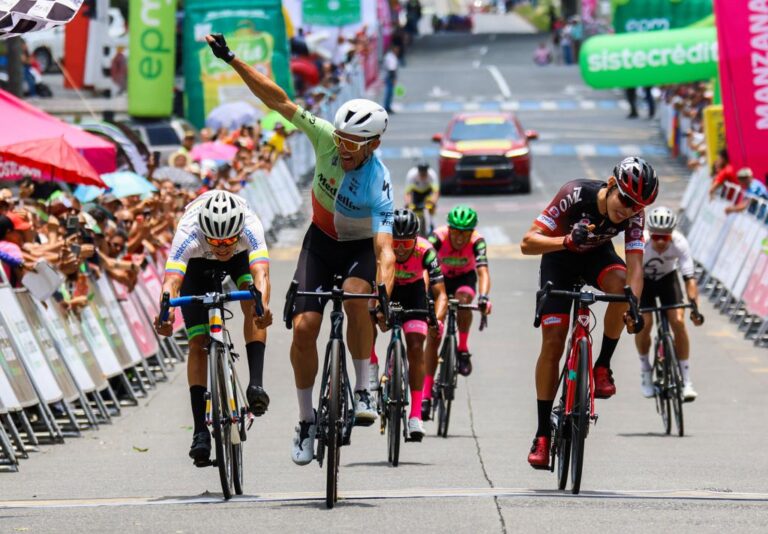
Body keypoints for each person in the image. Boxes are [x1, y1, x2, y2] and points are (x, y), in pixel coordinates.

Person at [202, 33, 395, 465]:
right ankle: (307, 421)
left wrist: (383, 294)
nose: (343, 149)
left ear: (374, 145)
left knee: (360, 297)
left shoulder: (380, 184)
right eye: (342, 140)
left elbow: (386, 253)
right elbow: (279, 101)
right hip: (321, 242)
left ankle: (364, 386)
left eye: (353, 145)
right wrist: (232, 59)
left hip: (360, 246)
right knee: (305, 327)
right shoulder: (326, 136)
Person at [520, 156, 659, 468]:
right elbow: (527, 243)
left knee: (624, 289)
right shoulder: (575, 193)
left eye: (637, 206)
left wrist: (633, 308)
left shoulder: (635, 215)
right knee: (553, 343)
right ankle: (542, 434)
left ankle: (601, 366)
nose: (628, 209)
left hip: (597, 259)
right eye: (625, 199)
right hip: (560, 258)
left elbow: (636, 267)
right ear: (611, 185)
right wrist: (565, 240)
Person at [154, 190, 273, 465]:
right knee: (197, 343)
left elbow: (261, 274)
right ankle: (199, 431)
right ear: (204, 233)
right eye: (216, 242)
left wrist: (262, 305)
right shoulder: (188, 231)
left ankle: (255, 384)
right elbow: (172, 282)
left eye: (228, 241)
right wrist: (166, 313)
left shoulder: (249, 226)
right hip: (196, 265)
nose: (222, 248)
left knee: (252, 301)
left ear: (238, 231)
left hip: (240, 260)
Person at [373, 209, 447, 440]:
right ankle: (372, 366)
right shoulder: (382, 246)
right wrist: (377, 310)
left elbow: (441, 294)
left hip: (414, 294)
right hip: (389, 291)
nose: (402, 248)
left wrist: (436, 318)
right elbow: (372, 285)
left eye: (407, 243)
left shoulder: (426, 251)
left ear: (415, 239)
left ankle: (415, 415)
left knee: (416, 346)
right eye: (397, 242)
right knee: (366, 316)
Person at [421, 205, 491, 417]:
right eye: (456, 231)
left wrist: (485, 297)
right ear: (449, 228)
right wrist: (424, 295)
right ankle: (425, 394)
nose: (460, 237)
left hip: (463, 279)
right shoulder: (437, 238)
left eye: (465, 232)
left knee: (464, 300)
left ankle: (461, 348)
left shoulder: (477, 241)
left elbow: (483, 272)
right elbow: (424, 267)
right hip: (438, 279)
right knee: (434, 336)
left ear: (471, 232)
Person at [634, 206, 704, 402]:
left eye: (666, 237)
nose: (661, 242)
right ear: (650, 234)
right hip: (644, 282)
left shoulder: (680, 242)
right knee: (645, 324)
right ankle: (646, 371)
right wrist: (633, 306)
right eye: (657, 237)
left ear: (672, 235)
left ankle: (687, 380)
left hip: (667, 279)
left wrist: (695, 308)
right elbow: (633, 277)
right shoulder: (641, 243)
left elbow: (689, 278)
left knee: (678, 322)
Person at [404, 160, 439, 231]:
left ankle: (432, 223)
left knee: (432, 207)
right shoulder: (411, 175)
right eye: (421, 174)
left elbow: (435, 192)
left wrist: (432, 202)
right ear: (418, 171)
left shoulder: (432, 175)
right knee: (412, 209)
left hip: (427, 192)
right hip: (416, 192)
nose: (423, 176)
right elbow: (407, 193)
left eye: (425, 174)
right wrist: (408, 204)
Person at [383, 45, 399, 114]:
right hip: (390, 77)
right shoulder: (391, 57)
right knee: (389, 93)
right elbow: (391, 69)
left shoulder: (390, 56)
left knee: (389, 93)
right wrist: (393, 79)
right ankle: (387, 107)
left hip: (388, 76)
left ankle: (388, 106)